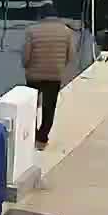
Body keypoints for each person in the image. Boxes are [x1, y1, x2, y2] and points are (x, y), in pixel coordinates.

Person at [21, 14, 75, 149]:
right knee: (49, 108)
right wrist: (59, 67)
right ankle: (42, 139)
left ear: (41, 16)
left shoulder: (31, 31)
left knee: (31, 107)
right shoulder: (66, 31)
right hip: (54, 76)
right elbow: (71, 55)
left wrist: (26, 66)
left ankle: (31, 135)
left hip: (34, 76)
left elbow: (26, 56)